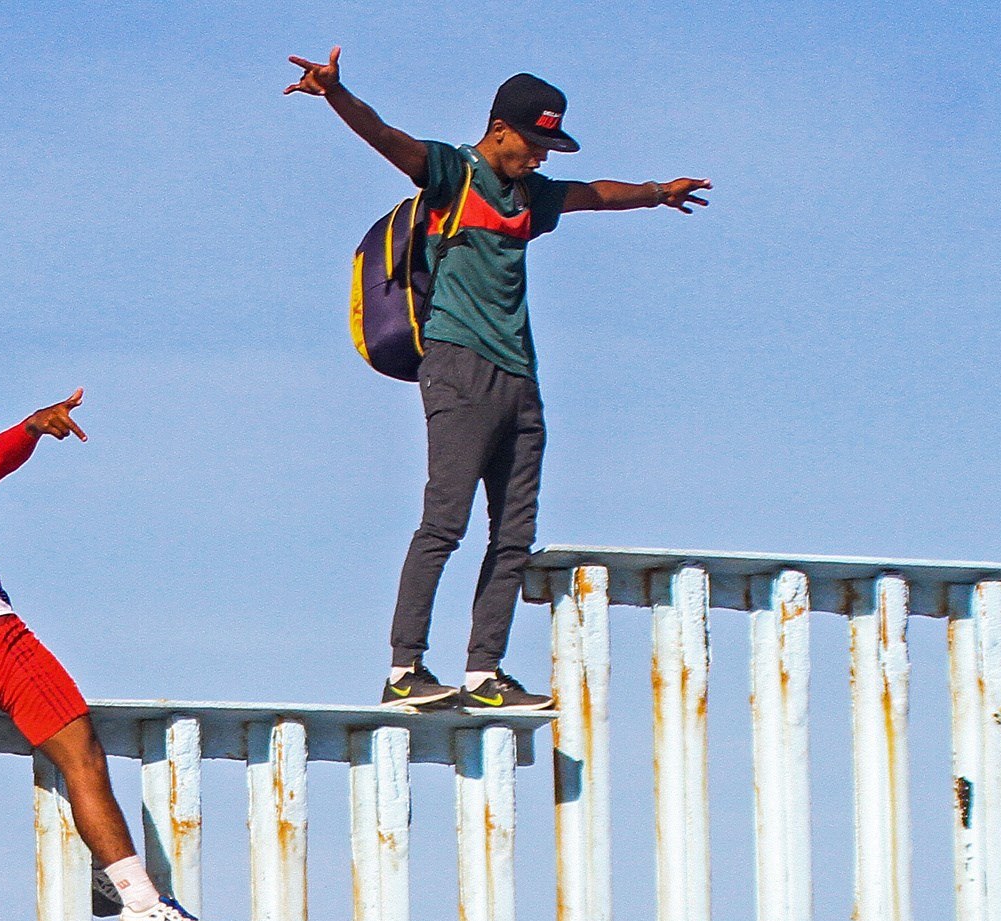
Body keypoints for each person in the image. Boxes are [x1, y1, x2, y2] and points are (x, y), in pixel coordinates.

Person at [284, 52, 708, 711]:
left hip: (520, 380)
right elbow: (386, 137)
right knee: (445, 520)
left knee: (513, 534)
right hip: (457, 368)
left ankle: (484, 674)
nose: (539, 158)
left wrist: (657, 192)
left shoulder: (529, 197)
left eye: (549, 147)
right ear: (501, 129)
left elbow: (593, 194)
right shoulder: (454, 173)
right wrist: (337, 94)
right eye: (533, 144)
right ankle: (405, 669)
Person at [0, 381, 223, 921]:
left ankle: (106, 883)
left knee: (65, 749)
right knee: (83, 756)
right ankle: (142, 904)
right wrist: (31, 428)